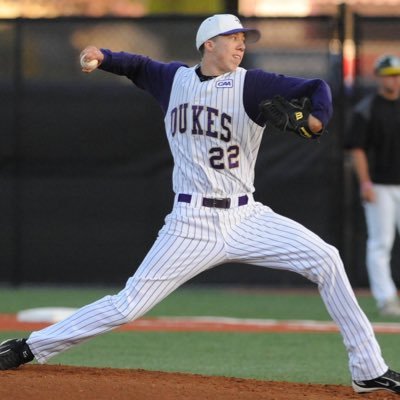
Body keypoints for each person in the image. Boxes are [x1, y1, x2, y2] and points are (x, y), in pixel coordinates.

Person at [0, 14, 399, 394]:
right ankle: (27, 348)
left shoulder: (251, 84)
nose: (241, 46)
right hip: (191, 221)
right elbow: (136, 65)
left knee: (326, 259)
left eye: (245, 41)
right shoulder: (173, 79)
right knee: (127, 306)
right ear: (209, 44)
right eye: (234, 39)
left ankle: (368, 371)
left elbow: (316, 88)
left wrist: (317, 121)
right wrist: (101, 55)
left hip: (247, 215)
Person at [346, 54, 400, 317]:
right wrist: (365, 182)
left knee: (382, 243)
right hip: (379, 184)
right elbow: (357, 149)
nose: (394, 79)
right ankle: (386, 298)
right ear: (379, 76)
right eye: (389, 74)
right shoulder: (366, 108)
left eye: (397, 74)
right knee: (381, 243)